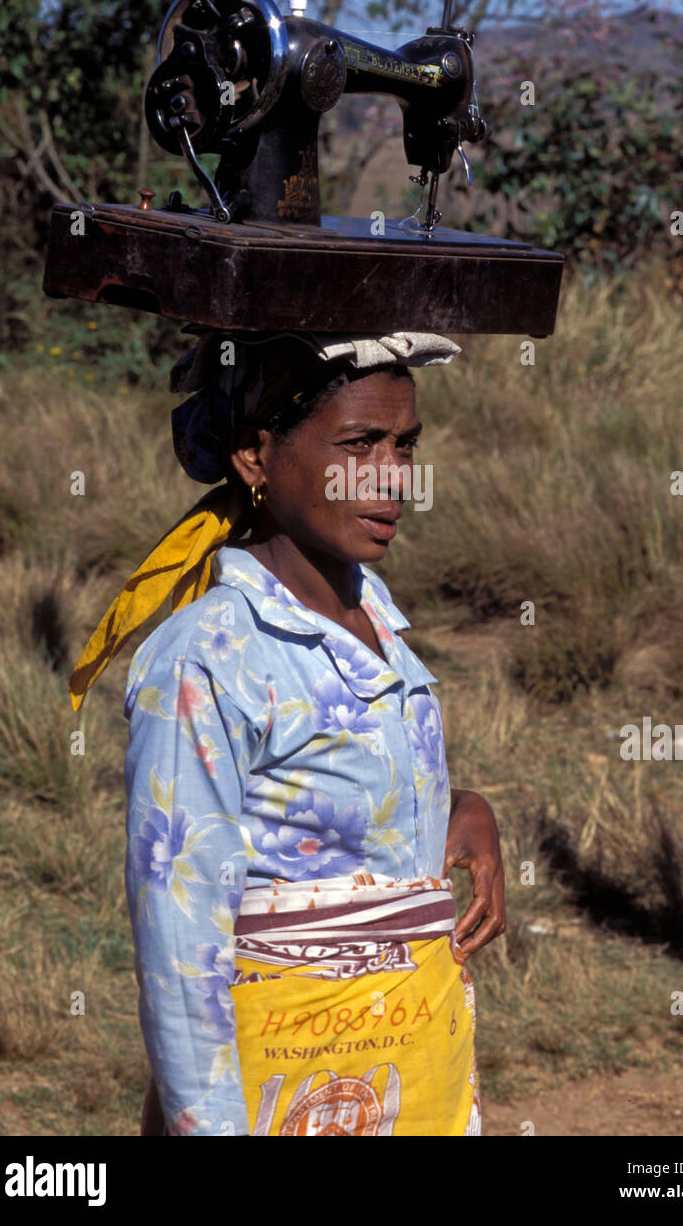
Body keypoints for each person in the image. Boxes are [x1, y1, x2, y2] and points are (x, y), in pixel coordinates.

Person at [70, 329, 506, 1137]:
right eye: (358, 445)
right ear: (255, 456)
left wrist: (459, 807)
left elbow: (334, 820)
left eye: (405, 445)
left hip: (406, 1070)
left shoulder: (375, 621)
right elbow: (182, 952)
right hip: (277, 1091)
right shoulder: (207, 662)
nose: (393, 479)